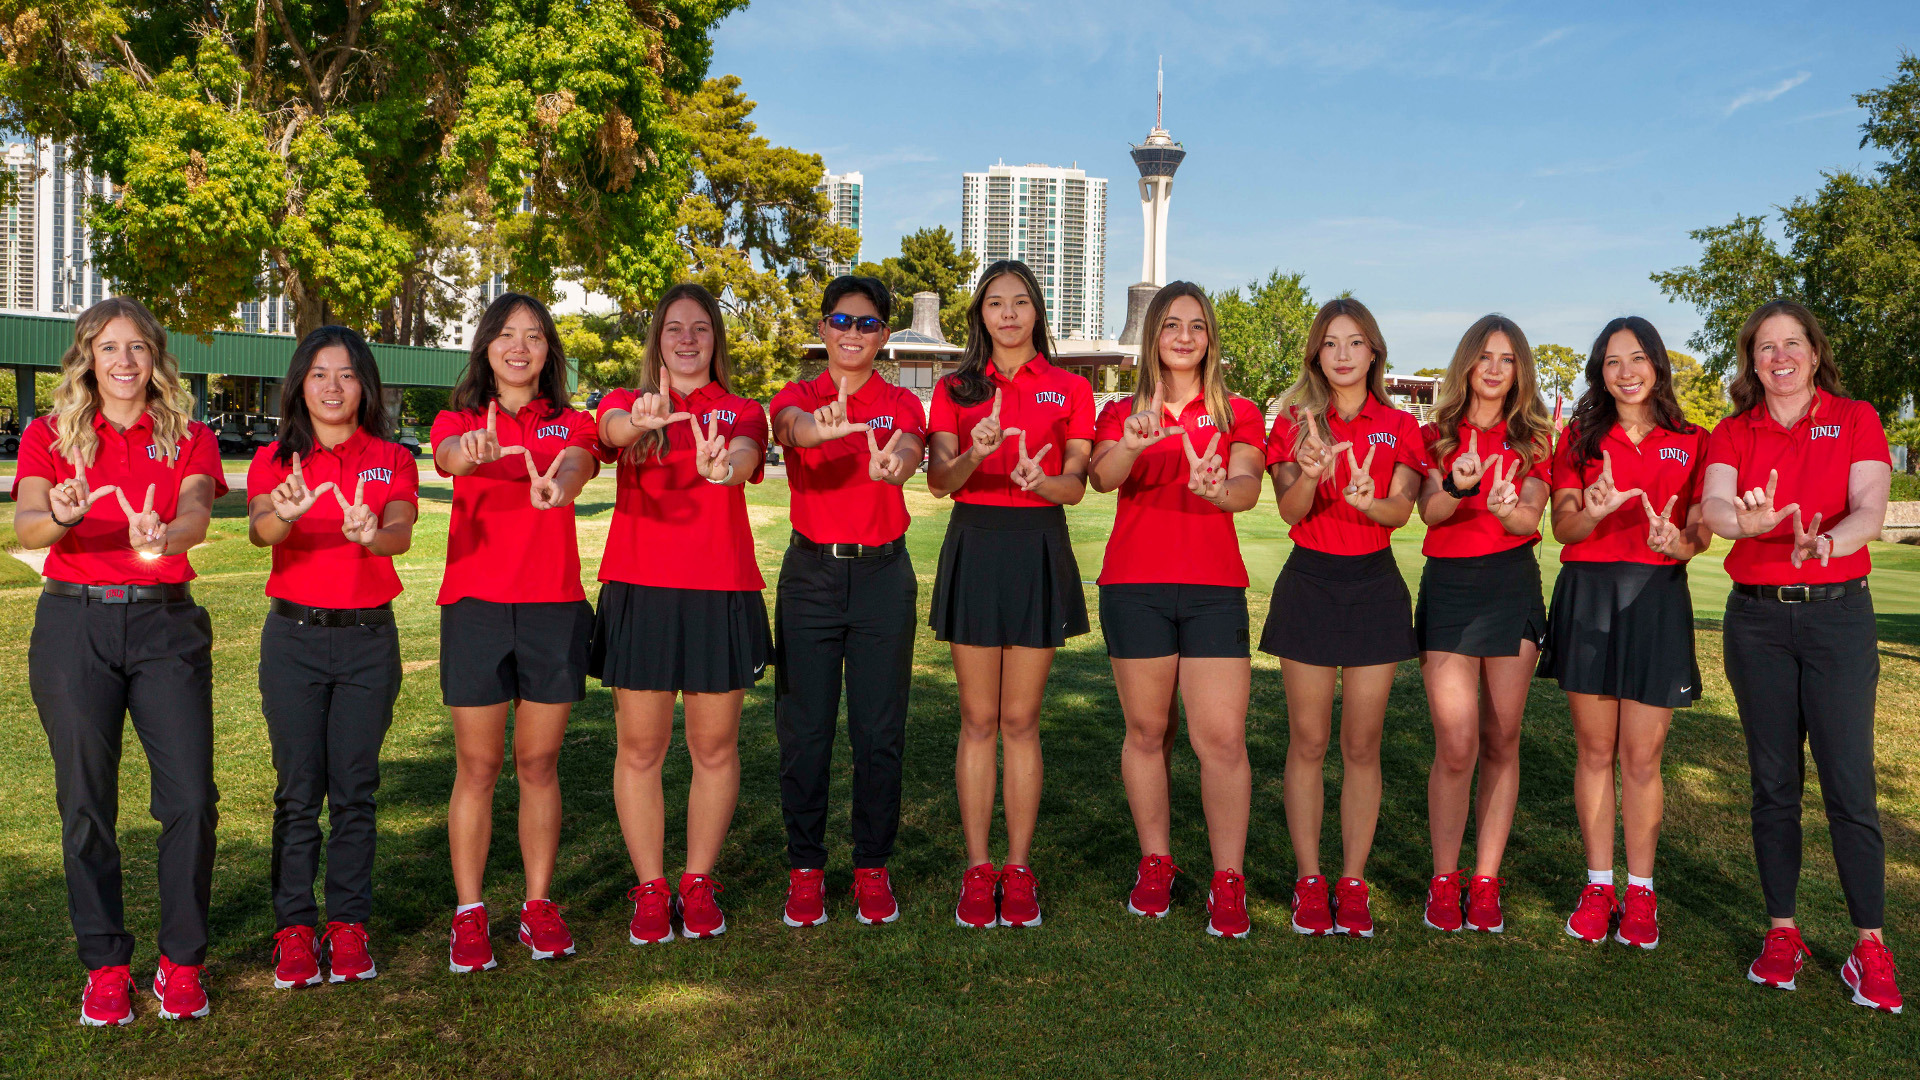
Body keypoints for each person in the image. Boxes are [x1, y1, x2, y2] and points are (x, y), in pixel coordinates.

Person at [13, 297, 225, 1025]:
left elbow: (197, 507)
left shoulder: (189, 436)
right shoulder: (50, 435)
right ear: (87, 358)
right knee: (85, 805)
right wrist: (66, 516)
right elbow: (30, 521)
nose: (125, 362)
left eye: (138, 348)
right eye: (110, 348)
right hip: (76, 627)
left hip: (166, 627)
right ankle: (106, 966)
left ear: (156, 357)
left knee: (191, 800)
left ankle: (180, 963)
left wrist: (169, 534)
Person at [1701, 299, 1902, 1012]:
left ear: (1815, 353)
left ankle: (1869, 946)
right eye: (1764, 347)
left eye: (1792, 344)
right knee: (1774, 784)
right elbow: (1718, 509)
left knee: (1849, 786)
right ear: (1751, 360)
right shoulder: (1733, 431)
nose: (1779, 357)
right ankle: (1782, 931)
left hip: (1838, 619)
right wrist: (1745, 522)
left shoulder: (1856, 418)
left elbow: (1869, 510)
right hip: (1756, 624)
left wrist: (1827, 543)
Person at [431, 293, 602, 972]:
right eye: (507, 335)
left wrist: (562, 480)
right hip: (474, 606)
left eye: (534, 337)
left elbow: (583, 461)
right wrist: (471, 451)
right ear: (487, 347)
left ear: (549, 352)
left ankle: (537, 906)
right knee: (477, 766)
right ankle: (469, 915)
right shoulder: (461, 418)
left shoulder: (573, 422)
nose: (520, 347)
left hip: (551, 608)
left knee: (537, 765)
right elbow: (447, 456)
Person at [1087, 282, 1264, 938]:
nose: (1184, 337)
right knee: (1147, 732)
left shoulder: (1238, 411)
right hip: (1135, 585)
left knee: (1218, 737)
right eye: (1171, 326)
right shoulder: (1121, 410)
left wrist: (1221, 490)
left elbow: (1246, 485)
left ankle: (1228, 881)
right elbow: (1102, 478)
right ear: (1153, 337)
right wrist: (1135, 440)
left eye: (1196, 326)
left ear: (1210, 338)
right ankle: (1156, 863)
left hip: (1214, 586)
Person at [594, 282, 769, 944]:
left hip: (720, 589)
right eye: (675, 328)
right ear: (657, 340)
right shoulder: (625, 402)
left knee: (714, 747)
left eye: (701, 328)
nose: (689, 338)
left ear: (716, 340)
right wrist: (641, 420)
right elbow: (609, 432)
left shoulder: (741, 408)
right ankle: (650, 888)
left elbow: (748, 453)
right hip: (641, 588)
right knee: (640, 748)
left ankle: (697, 882)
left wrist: (725, 469)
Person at [247, 326, 419, 989]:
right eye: (319, 374)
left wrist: (375, 533)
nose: (332, 386)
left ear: (364, 386)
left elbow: (401, 529)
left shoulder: (392, 457)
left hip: (368, 642)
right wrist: (285, 515)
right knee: (297, 794)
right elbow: (263, 526)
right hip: (293, 640)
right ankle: (294, 928)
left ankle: (347, 925)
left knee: (355, 791)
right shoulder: (275, 458)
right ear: (300, 383)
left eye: (346, 374)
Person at [926, 259, 1094, 930]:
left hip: (1036, 544)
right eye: (996, 303)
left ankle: (1018, 869)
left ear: (1037, 313)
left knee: (1021, 720)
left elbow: (1078, 482)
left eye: (1021, 302)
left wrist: (1041, 479)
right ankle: (977, 868)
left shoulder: (1069, 388)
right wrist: (976, 451)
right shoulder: (956, 388)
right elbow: (941, 479)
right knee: (977, 719)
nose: (1009, 314)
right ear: (980, 315)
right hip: (975, 540)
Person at [1261, 297, 1428, 938]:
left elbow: (1401, 513)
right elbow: (1290, 511)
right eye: (1330, 343)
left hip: (1373, 586)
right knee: (1308, 743)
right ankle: (1310, 881)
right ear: (1316, 354)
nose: (1342, 354)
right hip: (1309, 581)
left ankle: (1352, 881)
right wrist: (1309, 472)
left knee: (1361, 746)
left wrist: (1368, 498)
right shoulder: (1296, 422)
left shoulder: (1399, 425)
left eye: (1355, 342)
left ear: (1374, 351)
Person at [1541, 316, 1709, 951]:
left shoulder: (1694, 439)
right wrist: (1593, 508)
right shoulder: (1579, 440)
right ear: (1599, 373)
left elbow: (1699, 533)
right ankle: (1598, 885)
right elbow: (1563, 530)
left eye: (1637, 358)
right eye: (1612, 362)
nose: (1626, 372)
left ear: (1658, 366)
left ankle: (1641, 893)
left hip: (1657, 598)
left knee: (1641, 757)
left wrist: (1680, 541)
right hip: (1589, 596)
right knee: (1594, 751)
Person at [768, 276, 926, 929]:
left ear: (884, 335)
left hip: (884, 577)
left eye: (866, 323)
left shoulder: (900, 401)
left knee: (878, 733)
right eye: (841, 320)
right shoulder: (798, 394)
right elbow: (791, 429)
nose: (852, 333)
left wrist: (900, 462)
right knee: (804, 732)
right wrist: (817, 430)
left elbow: (913, 448)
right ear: (824, 328)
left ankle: (871, 867)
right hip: (811, 575)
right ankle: (805, 870)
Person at [1412, 315, 1555, 934]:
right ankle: (1445, 879)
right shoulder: (1434, 434)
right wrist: (1459, 484)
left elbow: (1531, 519)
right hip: (1449, 591)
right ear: (1467, 364)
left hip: (1510, 587)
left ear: (1519, 370)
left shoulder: (1538, 440)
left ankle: (1486, 879)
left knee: (1502, 739)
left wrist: (1508, 507)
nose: (1495, 369)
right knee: (1457, 743)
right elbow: (1429, 512)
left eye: (1508, 359)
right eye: (1485, 357)